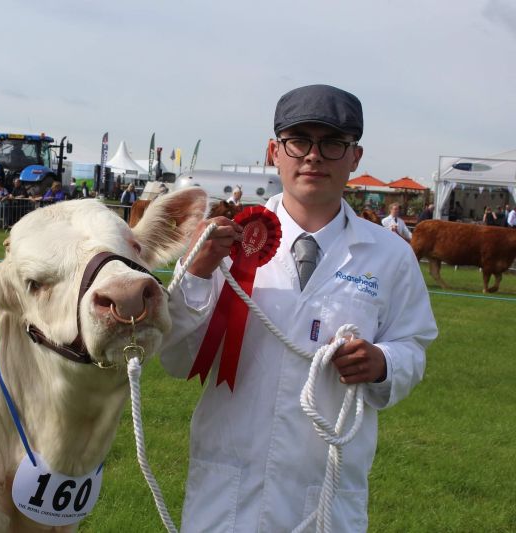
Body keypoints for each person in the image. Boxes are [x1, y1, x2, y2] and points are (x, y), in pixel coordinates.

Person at [160, 84, 437, 531]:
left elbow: (414, 346)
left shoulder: (390, 256)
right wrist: (195, 274)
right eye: (299, 141)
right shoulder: (222, 246)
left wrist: (384, 362)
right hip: (229, 491)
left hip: (324, 492)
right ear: (274, 151)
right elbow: (175, 359)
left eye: (332, 143)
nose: (313, 156)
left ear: (355, 157)